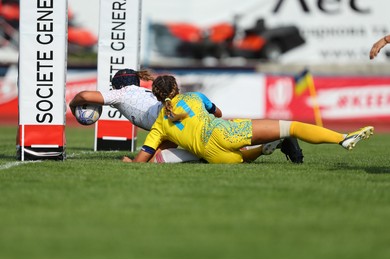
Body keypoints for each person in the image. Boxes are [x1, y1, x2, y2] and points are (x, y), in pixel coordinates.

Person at [123, 75, 374, 164]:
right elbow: (218, 114)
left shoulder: (158, 125)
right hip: (223, 132)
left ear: (155, 97)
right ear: (176, 87)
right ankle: (342, 138)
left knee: (241, 158)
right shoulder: (194, 97)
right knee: (291, 126)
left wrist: (130, 161)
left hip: (215, 157)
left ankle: (265, 148)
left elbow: (143, 157)